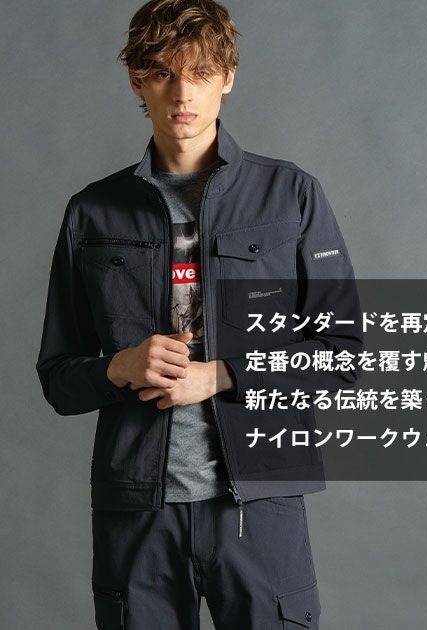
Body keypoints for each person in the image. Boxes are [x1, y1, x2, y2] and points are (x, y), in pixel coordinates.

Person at [35, 1, 362, 628]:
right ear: (137, 80)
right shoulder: (93, 212)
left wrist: (221, 375)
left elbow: (344, 355)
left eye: (201, 73)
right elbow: (58, 379)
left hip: (258, 504)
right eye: (162, 73)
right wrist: (120, 367)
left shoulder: (289, 195)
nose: (182, 93)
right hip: (137, 509)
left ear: (228, 77)